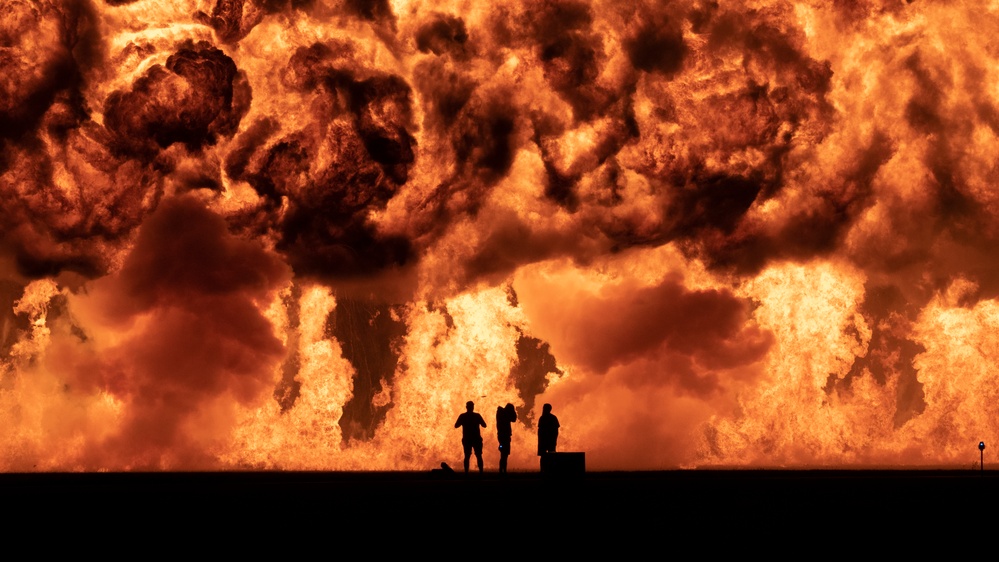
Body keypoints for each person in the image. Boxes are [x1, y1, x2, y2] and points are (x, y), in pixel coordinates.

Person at [454, 400, 487, 473]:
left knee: (467, 456)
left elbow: (456, 426)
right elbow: (484, 425)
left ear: (466, 407)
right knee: (478, 455)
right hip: (476, 439)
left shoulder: (463, 416)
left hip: (467, 439)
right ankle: (481, 473)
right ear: (473, 407)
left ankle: (466, 473)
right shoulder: (477, 416)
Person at [496, 403, 517, 473]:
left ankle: (502, 470)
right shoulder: (505, 414)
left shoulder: (501, 413)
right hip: (504, 436)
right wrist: (513, 412)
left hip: (502, 436)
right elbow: (514, 419)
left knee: (504, 454)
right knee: (504, 454)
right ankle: (503, 470)